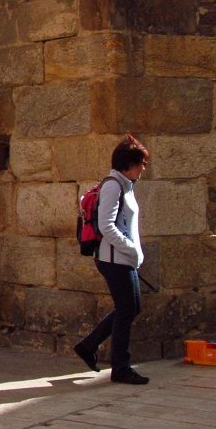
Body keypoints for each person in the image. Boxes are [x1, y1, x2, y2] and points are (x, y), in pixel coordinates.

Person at [74, 134, 150, 384]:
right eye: (141, 163)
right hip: (114, 259)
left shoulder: (124, 184)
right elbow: (106, 225)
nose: (143, 168)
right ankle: (120, 367)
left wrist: (132, 253)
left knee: (130, 308)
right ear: (128, 164)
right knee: (127, 310)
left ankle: (88, 346)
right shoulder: (113, 186)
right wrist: (131, 249)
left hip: (123, 258)